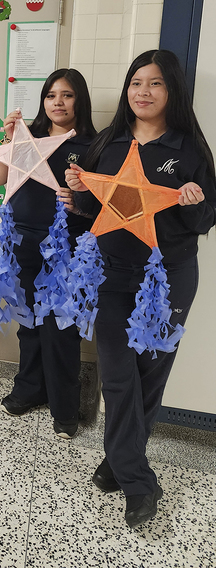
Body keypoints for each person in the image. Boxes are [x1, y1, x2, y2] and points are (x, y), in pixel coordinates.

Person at [65, 49, 216, 528]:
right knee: (116, 374)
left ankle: (117, 462)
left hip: (168, 279)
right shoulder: (108, 143)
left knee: (151, 376)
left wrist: (192, 203)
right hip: (112, 276)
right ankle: (138, 481)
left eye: (154, 84)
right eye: (135, 83)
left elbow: (206, 219)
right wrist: (77, 194)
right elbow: (94, 212)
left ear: (172, 90)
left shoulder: (188, 149)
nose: (143, 93)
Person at [0, 68, 96, 439]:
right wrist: (9, 140)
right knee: (29, 322)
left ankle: (65, 407)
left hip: (67, 248)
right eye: (51, 95)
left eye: (66, 95)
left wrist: (79, 201)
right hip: (22, 240)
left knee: (60, 328)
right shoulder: (27, 135)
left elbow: (102, 203)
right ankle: (28, 388)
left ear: (79, 99)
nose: (58, 103)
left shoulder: (95, 145)